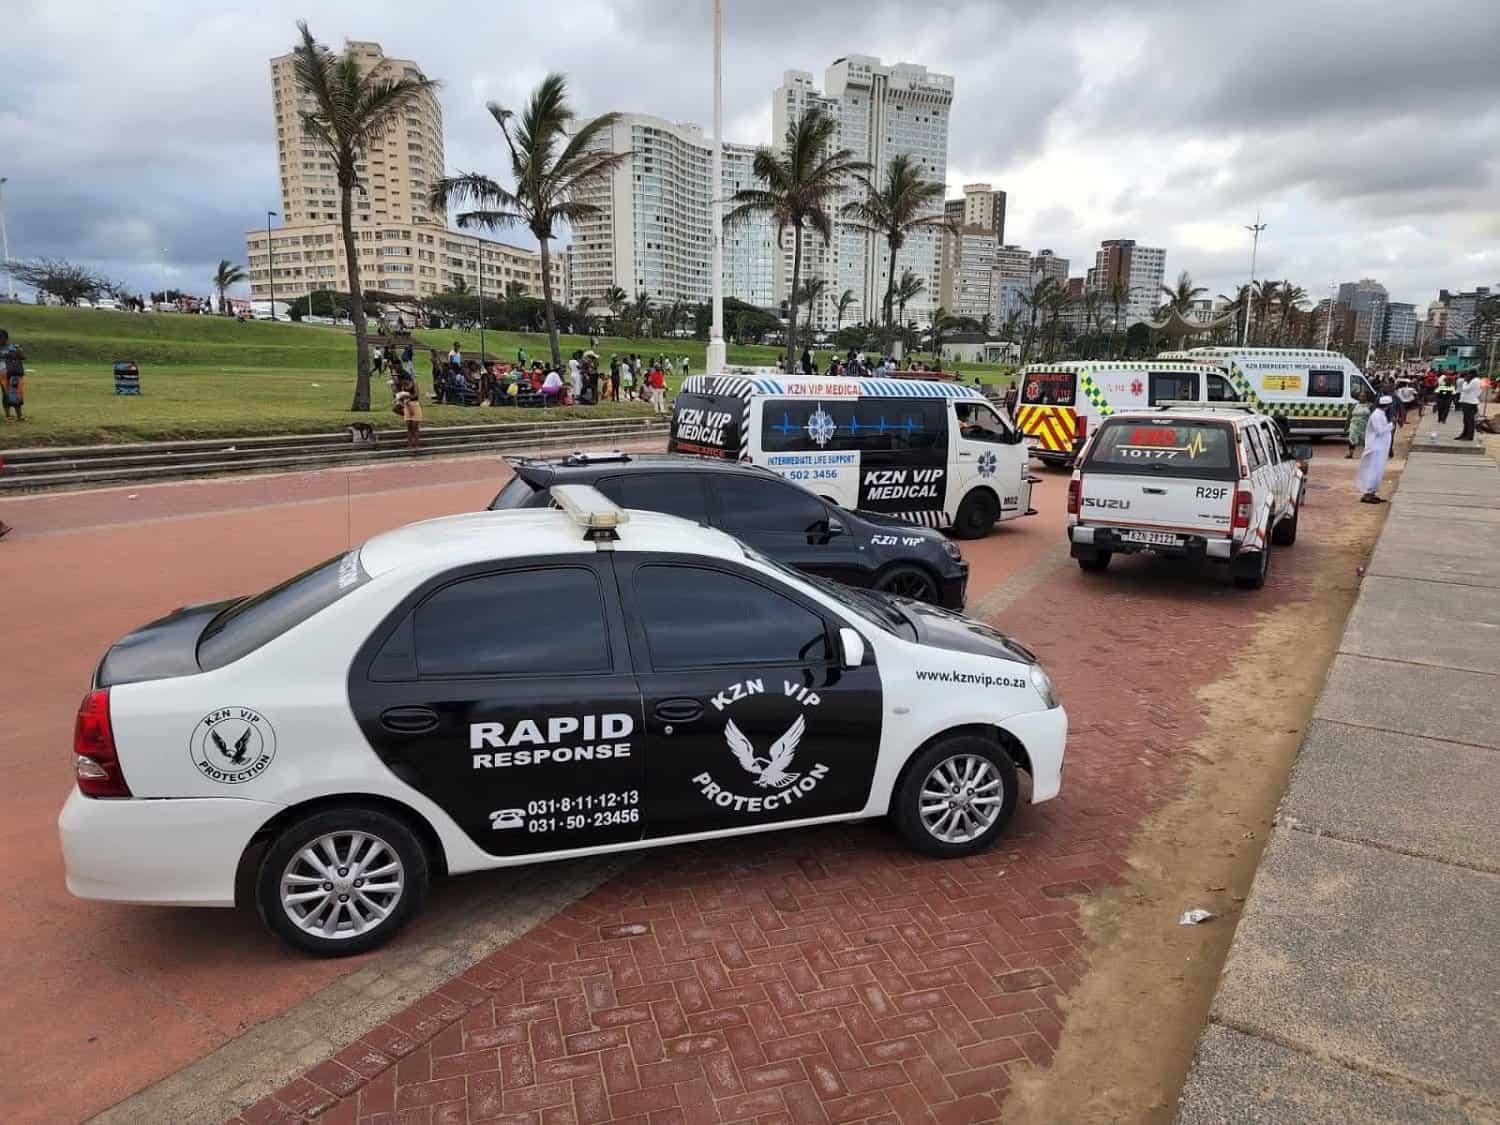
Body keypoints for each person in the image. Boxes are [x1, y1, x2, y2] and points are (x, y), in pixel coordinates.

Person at [1357, 395, 1394, 503]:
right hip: (1375, 448)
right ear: (1387, 406)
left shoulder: (1381, 414)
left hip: (1380, 448)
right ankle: (1368, 494)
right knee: (1372, 471)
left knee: (1378, 471)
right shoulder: (1376, 415)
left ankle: (1372, 493)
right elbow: (1379, 431)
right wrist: (1391, 424)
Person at [1, 330, 25, 422]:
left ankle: (19, 415)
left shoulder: (14, 347)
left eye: (0, 337)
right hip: (2, 375)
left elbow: (23, 357)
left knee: (16, 394)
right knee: (5, 394)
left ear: (6, 338)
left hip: (13, 374)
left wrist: (17, 352)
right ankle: (8, 415)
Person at [1458, 371, 1482, 441]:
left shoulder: (1475, 381)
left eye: (1468, 374)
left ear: (1472, 374)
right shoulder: (1473, 380)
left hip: (1470, 402)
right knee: (1466, 420)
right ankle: (1464, 434)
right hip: (1467, 401)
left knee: (1469, 420)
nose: (1467, 376)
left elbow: (1465, 389)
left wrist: (1465, 382)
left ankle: (1469, 436)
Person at [1346, 393, 1370, 459]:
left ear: (1366, 398)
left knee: (1365, 440)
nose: (1362, 398)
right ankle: (1350, 454)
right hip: (1354, 425)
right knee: (1352, 438)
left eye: (1364, 396)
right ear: (1358, 397)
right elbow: (1349, 416)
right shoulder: (1354, 405)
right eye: (1361, 396)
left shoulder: (1369, 405)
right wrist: (1347, 426)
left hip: (1364, 425)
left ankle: (1367, 454)